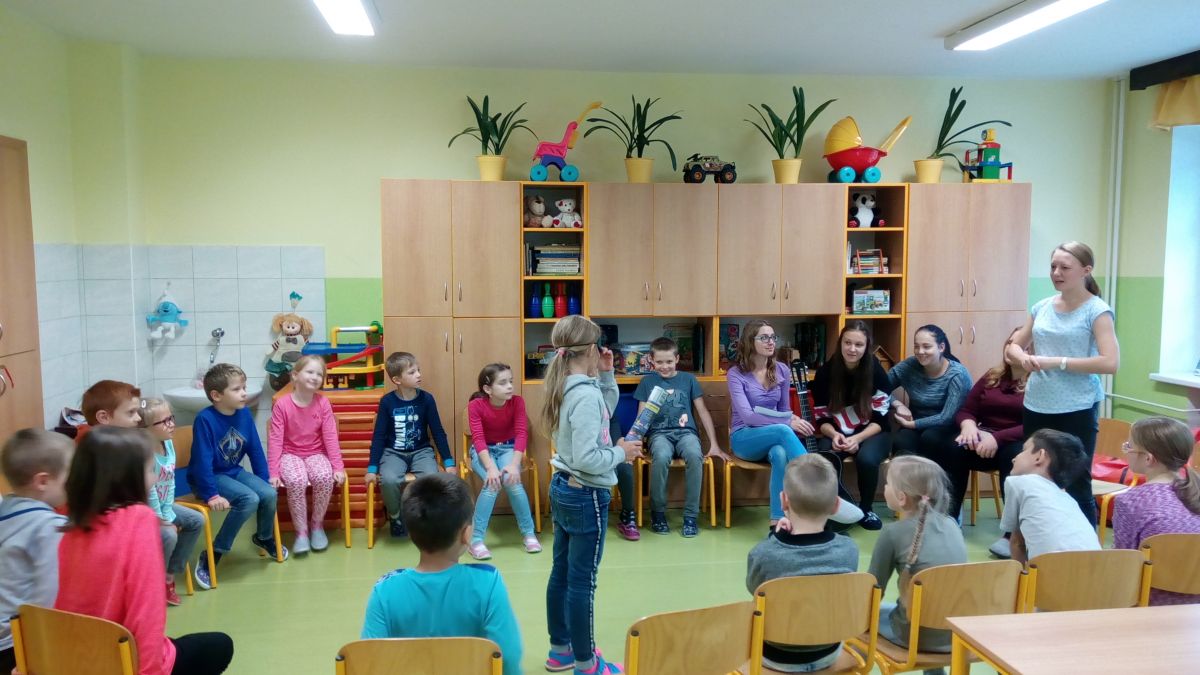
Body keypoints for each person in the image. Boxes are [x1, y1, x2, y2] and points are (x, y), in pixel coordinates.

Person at [57, 426, 234, 675]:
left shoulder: (71, 524)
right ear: (127, 477)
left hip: (74, 657)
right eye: (150, 470)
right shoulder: (138, 519)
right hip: (121, 658)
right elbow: (146, 610)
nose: (155, 478)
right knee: (220, 645)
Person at [539, 315, 642, 675]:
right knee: (582, 582)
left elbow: (603, 413)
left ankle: (561, 651)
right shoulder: (583, 395)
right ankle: (587, 664)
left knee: (562, 574)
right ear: (593, 350)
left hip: (564, 487)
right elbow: (588, 456)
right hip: (586, 495)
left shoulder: (568, 386)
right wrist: (621, 454)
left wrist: (608, 375)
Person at [361, 473, 522, 675]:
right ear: (466, 533)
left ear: (410, 532)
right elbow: (509, 658)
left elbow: (370, 661)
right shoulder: (488, 583)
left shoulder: (385, 591)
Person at [1006, 241, 1120, 525]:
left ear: (1086, 270)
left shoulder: (1097, 311)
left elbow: (1110, 362)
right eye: (1053, 266)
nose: (1056, 273)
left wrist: (1058, 361)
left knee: (1077, 482)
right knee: (1033, 477)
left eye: (1064, 267)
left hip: (1076, 407)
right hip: (1037, 404)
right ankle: (1024, 539)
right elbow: (1013, 346)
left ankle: (1083, 547)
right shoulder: (1042, 307)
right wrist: (1022, 356)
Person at [728, 320, 863, 528]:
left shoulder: (782, 370)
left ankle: (777, 522)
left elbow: (784, 410)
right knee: (783, 430)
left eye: (773, 337)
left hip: (773, 437)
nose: (771, 342)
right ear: (749, 341)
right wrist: (787, 421)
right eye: (764, 337)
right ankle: (824, 493)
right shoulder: (736, 374)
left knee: (780, 454)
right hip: (744, 438)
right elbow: (748, 417)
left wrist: (788, 419)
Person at [746, 455, 859, 673]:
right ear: (836, 505)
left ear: (783, 501)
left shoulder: (764, 553)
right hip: (828, 652)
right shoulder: (849, 550)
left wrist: (776, 538)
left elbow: (755, 589)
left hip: (775, 656)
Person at [187, 363, 288, 593]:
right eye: (236, 389)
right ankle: (214, 553)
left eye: (244, 387)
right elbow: (202, 462)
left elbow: (255, 450)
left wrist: (264, 479)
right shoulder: (205, 419)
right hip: (207, 477)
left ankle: (263, 537)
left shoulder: (243, 414)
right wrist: (211, 494)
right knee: (249, 499)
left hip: (232, 471)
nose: (244, 393)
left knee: (268, 493)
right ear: (216, 395)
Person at [869, 455, 966, 669]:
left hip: (913, 636)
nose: (884, 487)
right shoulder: (952, 524)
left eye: (887, 484)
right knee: (929, 605)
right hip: (956, 633)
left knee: (857, 616)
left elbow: (872, 592)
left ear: (901, 498)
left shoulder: (892, 533)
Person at [938, 328, 1028, 535]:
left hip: (1015, 441)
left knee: (1013, 457)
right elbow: (967, 410)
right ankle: (950, 518)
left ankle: (1013, 532)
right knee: (952, 448)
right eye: (1009, 343)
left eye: (1020, 346)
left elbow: (1035, 424)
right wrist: (968, 426)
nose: (1010, 348)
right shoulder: (992, 376)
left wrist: (997, 438)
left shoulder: (1039, 381)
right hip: (982, 440)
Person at [634, 337, 725, 538]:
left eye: (669, 361)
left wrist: (715, 444)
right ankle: (658, 513)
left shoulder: (688, 380)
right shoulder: (647, 382)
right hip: (659, 434)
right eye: (659, 362)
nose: (664, 366)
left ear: (677, 359)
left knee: (694, 455)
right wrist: (637, 443)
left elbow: (702, 411)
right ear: (651, 360)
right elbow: (642, 417)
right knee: (661, 456)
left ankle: (691, 517)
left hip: (686, 433)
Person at [0, 429, 72, 674]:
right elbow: (48, 596)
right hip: (18, 640)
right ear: (42, 481)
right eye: (69, 475)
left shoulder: (6, 509)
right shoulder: (49, 527)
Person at [811, 320, 892, 530]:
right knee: (825, 457)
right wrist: (835, 435)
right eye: (847, 343)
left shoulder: (877, 373)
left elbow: (881, 420)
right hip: (837, 431)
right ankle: (833, 509)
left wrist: (856, 439)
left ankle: (866, 509)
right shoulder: (825, 373)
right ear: (840, 343)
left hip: (872, 432)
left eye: (859, 344)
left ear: (866, 347)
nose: (852, 349)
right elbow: (822, 418)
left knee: (867, 459)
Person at [1113, 416, 1200, 605]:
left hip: (1149, 604)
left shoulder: (1130, 502)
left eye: (1129, 446)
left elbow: (1123, 566)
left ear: (1148, 458)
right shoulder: (1195, 490)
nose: (1126, 450)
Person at [366, 351, 453, 539]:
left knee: (431, 478)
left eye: (418, 370)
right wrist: (372, 468)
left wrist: (448, 461)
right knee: (389, 480)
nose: (419, 375)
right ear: (397, 380)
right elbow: (379, 436)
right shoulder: (387, 402)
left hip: (421, 451)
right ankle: (396, 516)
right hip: (393, 452)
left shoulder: (427, 399)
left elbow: (438, 431)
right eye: (412, 372)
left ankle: (424, 517)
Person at [267, 355, 346, 555]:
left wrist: (338, 467)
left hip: (315, 452)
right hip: (289, 454)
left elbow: (330, 437)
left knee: (324, 477)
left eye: (319, 374)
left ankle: (317, 526)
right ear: (295, 375)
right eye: (310, 372)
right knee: (296, 480)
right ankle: (301, 532)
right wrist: (273, 472)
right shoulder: (282, 405)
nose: (315, 377)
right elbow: (275, 440)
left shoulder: (323, 403)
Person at [464, 362, 540, 559]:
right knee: (493, 483)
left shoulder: (517, 402)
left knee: (512, 482)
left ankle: (529, 534)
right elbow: (478, 439)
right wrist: (490, 468)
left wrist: (514, 465)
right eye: (503, 383)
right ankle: (476, 541)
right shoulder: (475, 406)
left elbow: (521, 433)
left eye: (511, 381)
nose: (510, 386)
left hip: (508, 448)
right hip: (483, 451)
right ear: (487, 389)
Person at [138, 398, 206, 605]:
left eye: (171, 418)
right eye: (164, 421)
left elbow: (170, 481)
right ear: (145, 429)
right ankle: (155, 580)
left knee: (196, 520)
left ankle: (169, 575)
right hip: (147, 510)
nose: (171, 424)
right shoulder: (144, 454)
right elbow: (149, 493)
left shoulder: (168, 443)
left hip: (164, 504)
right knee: (169, 534)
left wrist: (168, 510)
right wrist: (161, 518)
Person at [1000, 429, 1099, 564]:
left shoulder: (1018, 483)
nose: (1014, 458)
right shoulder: (1068, 498)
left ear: (1039, 457)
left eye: (1024, 450)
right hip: (1097, 568)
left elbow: (1017, 543)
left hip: (1053, 571)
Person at [888, 325, 973, 461]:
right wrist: (898, 404)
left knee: (930, 438)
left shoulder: (958, 374)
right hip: (915, 421)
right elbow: (880, 388)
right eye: (916, 347)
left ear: (941, 347)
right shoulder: (909, 366)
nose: (920, 351)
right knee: (901, 441)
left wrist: (912, 424)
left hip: (947, 426)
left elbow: (947, 417)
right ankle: (905, 475)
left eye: (926, 347)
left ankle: (931, 475)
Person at [78, 379, 143, 437]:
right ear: (104, 417)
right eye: (131, 412)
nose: (139, 418)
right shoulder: (103, 446)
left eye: (137, 411)